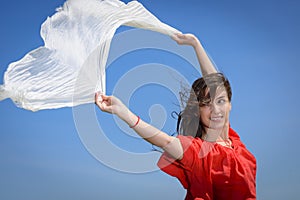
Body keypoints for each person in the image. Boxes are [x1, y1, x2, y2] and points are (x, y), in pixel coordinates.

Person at [95, 33, 256, 200]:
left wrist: (196, 45)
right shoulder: (197, 152)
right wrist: (123, 113)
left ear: (230, 104)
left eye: (221, 101)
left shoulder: (233, 141)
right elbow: (165, 141)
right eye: (206, 104)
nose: (215, 109)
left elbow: (216, 83)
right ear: (198, 111)